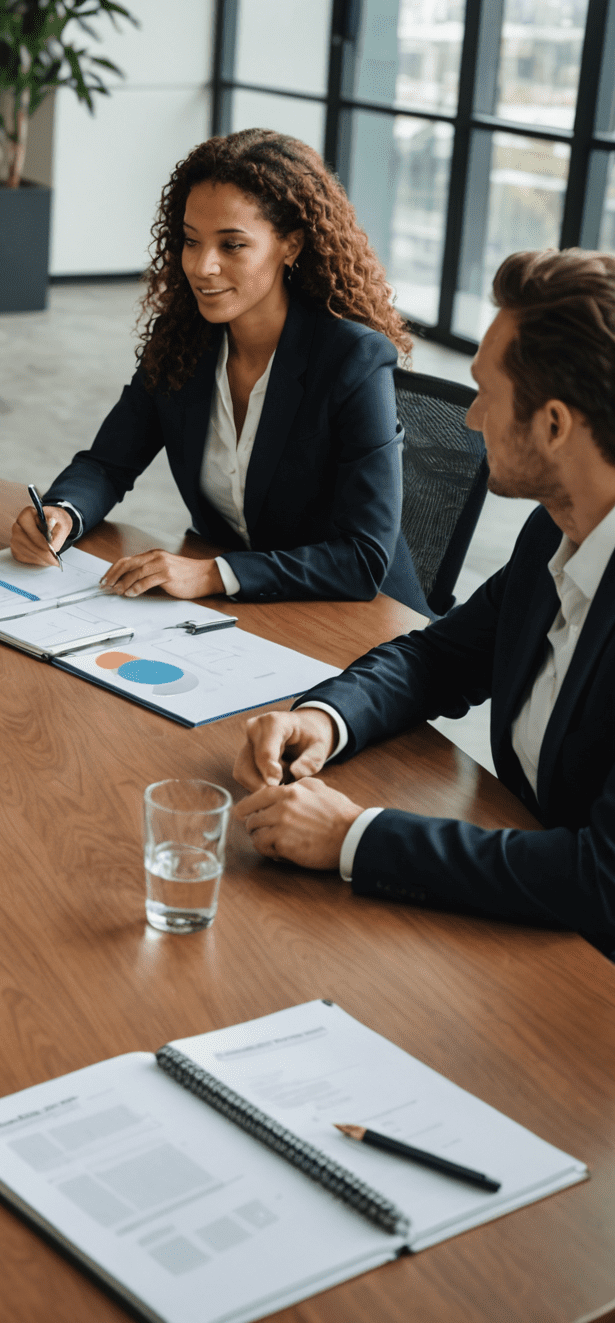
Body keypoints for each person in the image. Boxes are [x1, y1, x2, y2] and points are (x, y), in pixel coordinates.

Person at [231, 248, 615, 954]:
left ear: (555, 424)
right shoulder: (556, 533)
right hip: (524, 939)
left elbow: (602, 880)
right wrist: (326, 717)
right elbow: (440, 656)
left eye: (485, 393)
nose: (470, 419)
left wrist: (354, 836)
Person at [11, 129, 429, 612]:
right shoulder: (183, 342)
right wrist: (63, 514)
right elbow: (108, 462)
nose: (202, 266)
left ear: (290, 245)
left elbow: (362, 557)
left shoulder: (352, 359)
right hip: (236, 610)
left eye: (232, 245)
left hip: (358, 620)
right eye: (191, 241)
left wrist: (216, 573)